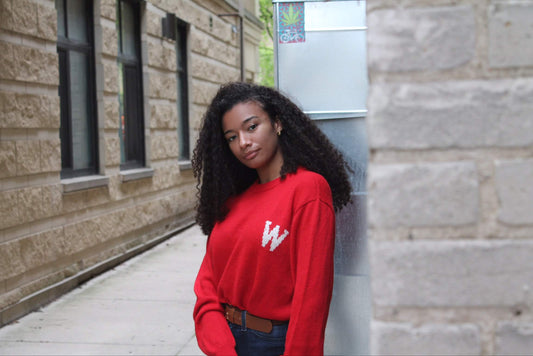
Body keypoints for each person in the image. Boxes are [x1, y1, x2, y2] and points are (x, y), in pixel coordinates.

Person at [192, 82, 352, 356]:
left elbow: (312, 295)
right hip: (225, 344)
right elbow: (207, 284)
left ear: (277, 123)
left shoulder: (308, 190)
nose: (243, 142)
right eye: (231, 137)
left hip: (273, 345)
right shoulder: (234, 201)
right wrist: (220, 346)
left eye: (251, 127)